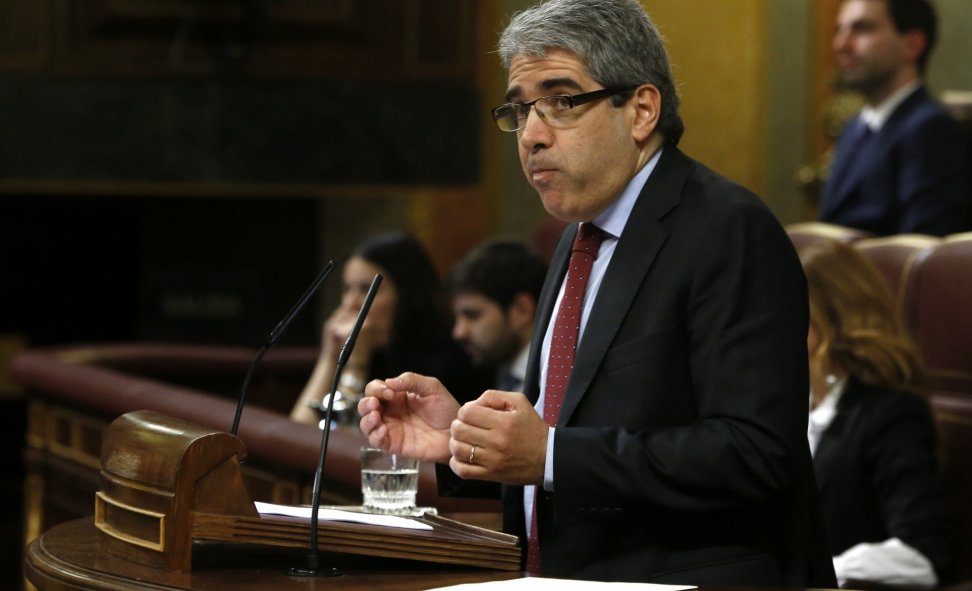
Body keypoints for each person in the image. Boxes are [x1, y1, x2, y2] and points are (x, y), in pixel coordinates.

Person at [359, 0, 835, 585]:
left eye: (561, 101)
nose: (531, 136)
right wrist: (469, 439)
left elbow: (757, 453)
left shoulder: (728, 229)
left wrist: (551, 455)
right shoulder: (578, 239)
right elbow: (577, 424)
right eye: (519, 109)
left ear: (639, 110)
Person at [802, 239, 949, 588]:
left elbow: (922, 552)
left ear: (830, 318)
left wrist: (815, 573)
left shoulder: (891, 414)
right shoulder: (788, 405)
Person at [290, 233, 489, 425]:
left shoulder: (448, 366)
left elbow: (342, 442)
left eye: (367, 290)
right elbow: (299, 434)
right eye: (348, 288)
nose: (351, 303)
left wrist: (356, 364)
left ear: (406, 297)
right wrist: (330, 357)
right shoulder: (374, 352)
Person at [818, 0, 972, 236]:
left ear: (912, 45)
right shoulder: (854, 127)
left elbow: (921, 249)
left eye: (861, 29)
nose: (840, 44)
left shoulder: (930, 129)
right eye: (839, 30)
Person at [448, 239, 547, 393]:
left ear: (522, 310)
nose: (459, 332)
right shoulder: (504, 374)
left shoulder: (553, 384)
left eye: (472, 316)